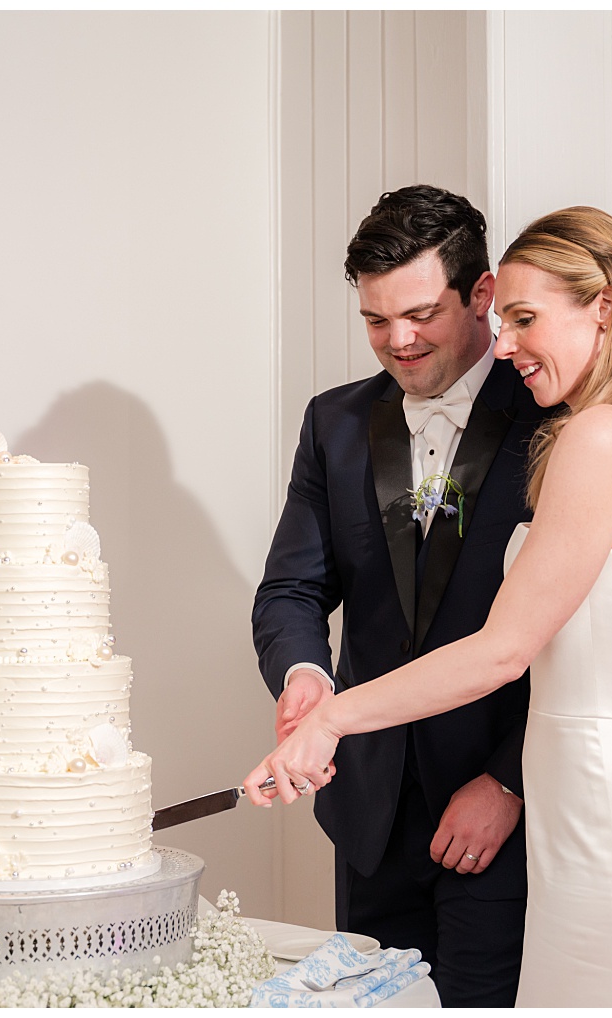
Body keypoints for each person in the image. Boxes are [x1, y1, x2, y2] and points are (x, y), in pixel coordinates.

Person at [247, 206, 612, 1007]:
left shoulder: (576, 429)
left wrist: (335, 721)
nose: (507, 344)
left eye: (520, 319)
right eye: (376, 320)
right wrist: (306, 679)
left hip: (562, 805)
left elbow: (503, 649)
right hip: (420, 813)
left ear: (605, 304)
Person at [251, 185, 557, 1006]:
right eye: (376, 320)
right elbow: (290, 587)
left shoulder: (555, 422)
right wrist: (305, 677)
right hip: (369, 809)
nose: (399, 341)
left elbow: (578, 633)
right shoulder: (336, 423)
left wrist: (507, 782)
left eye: (420, 313)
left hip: (501, 809)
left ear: (482, 294)